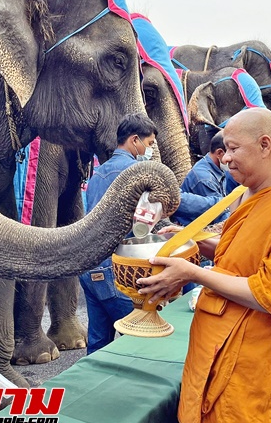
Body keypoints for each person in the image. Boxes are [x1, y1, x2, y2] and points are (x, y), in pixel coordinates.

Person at [137, 108, 271, 423]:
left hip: (257, 361)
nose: (226, 158)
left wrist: (193, 273)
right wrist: (199, 244)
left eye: (233, 149)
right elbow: (242, 258)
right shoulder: (249, 195)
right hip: (219, 345)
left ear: (265, 145)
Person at [79, 113, 216, 354]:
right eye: (150, 143)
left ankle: (92, 388)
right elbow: (177, 199)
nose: (150, 149)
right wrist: (216, 204)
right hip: (117, 269)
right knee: (141, 341)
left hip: (90, 268)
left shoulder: (98, 173)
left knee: (99, 342)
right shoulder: (138, 171)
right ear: (134, 140)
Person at [172, 131, 229, 226]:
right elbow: (220, 214)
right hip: (191, 231)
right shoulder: (205, 179)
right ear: (219, 153)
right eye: (232, 151)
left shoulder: (216, 168)